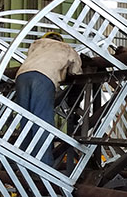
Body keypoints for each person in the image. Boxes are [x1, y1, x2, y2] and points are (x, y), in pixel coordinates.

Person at [14, 32, 82, 165]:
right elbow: (76, 72)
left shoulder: (37, 44)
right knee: (42, 121)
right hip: (44, 77)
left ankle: (22, 161)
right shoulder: (67, 48)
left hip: (21, 76)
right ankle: (43, 164)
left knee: (25, 120)